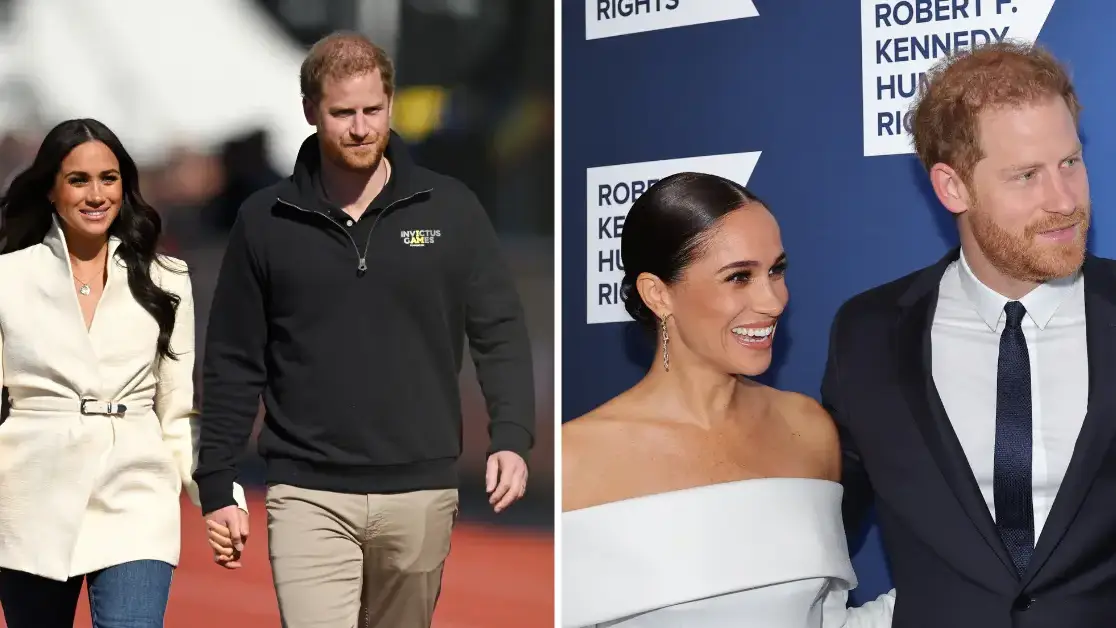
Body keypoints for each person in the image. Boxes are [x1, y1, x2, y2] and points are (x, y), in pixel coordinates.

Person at [193, 31, 536, 628]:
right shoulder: (264, 220)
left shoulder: (450, 208)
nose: (360, 128)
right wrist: (218, 479)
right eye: (342, 112)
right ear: (309, 112)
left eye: (372, 110)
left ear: (391, 104)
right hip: (306, 493)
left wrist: (511, 434)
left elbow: (499, 329)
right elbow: (233, 357)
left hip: (422, 491)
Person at [826, 41, 1115, 625]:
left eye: (1071, 163)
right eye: (1027, 175)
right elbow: (819, 526)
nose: (1064, 200)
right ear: (953, 187)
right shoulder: (870, 335)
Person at [562, 172, 896, 627]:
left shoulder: (806, 428)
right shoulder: (574, 462)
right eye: (739, 277)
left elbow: (826, 620)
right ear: (658, 294)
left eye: (776, 270)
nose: (773, 300)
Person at [0, 118, 247, 628]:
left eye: (108, 179)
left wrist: (220, 494)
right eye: (78, 180)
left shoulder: (167, 278)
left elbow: (177, 412)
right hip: (30, 498)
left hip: (135, 496)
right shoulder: (8, 278)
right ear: (50, 189)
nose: (96, 195)